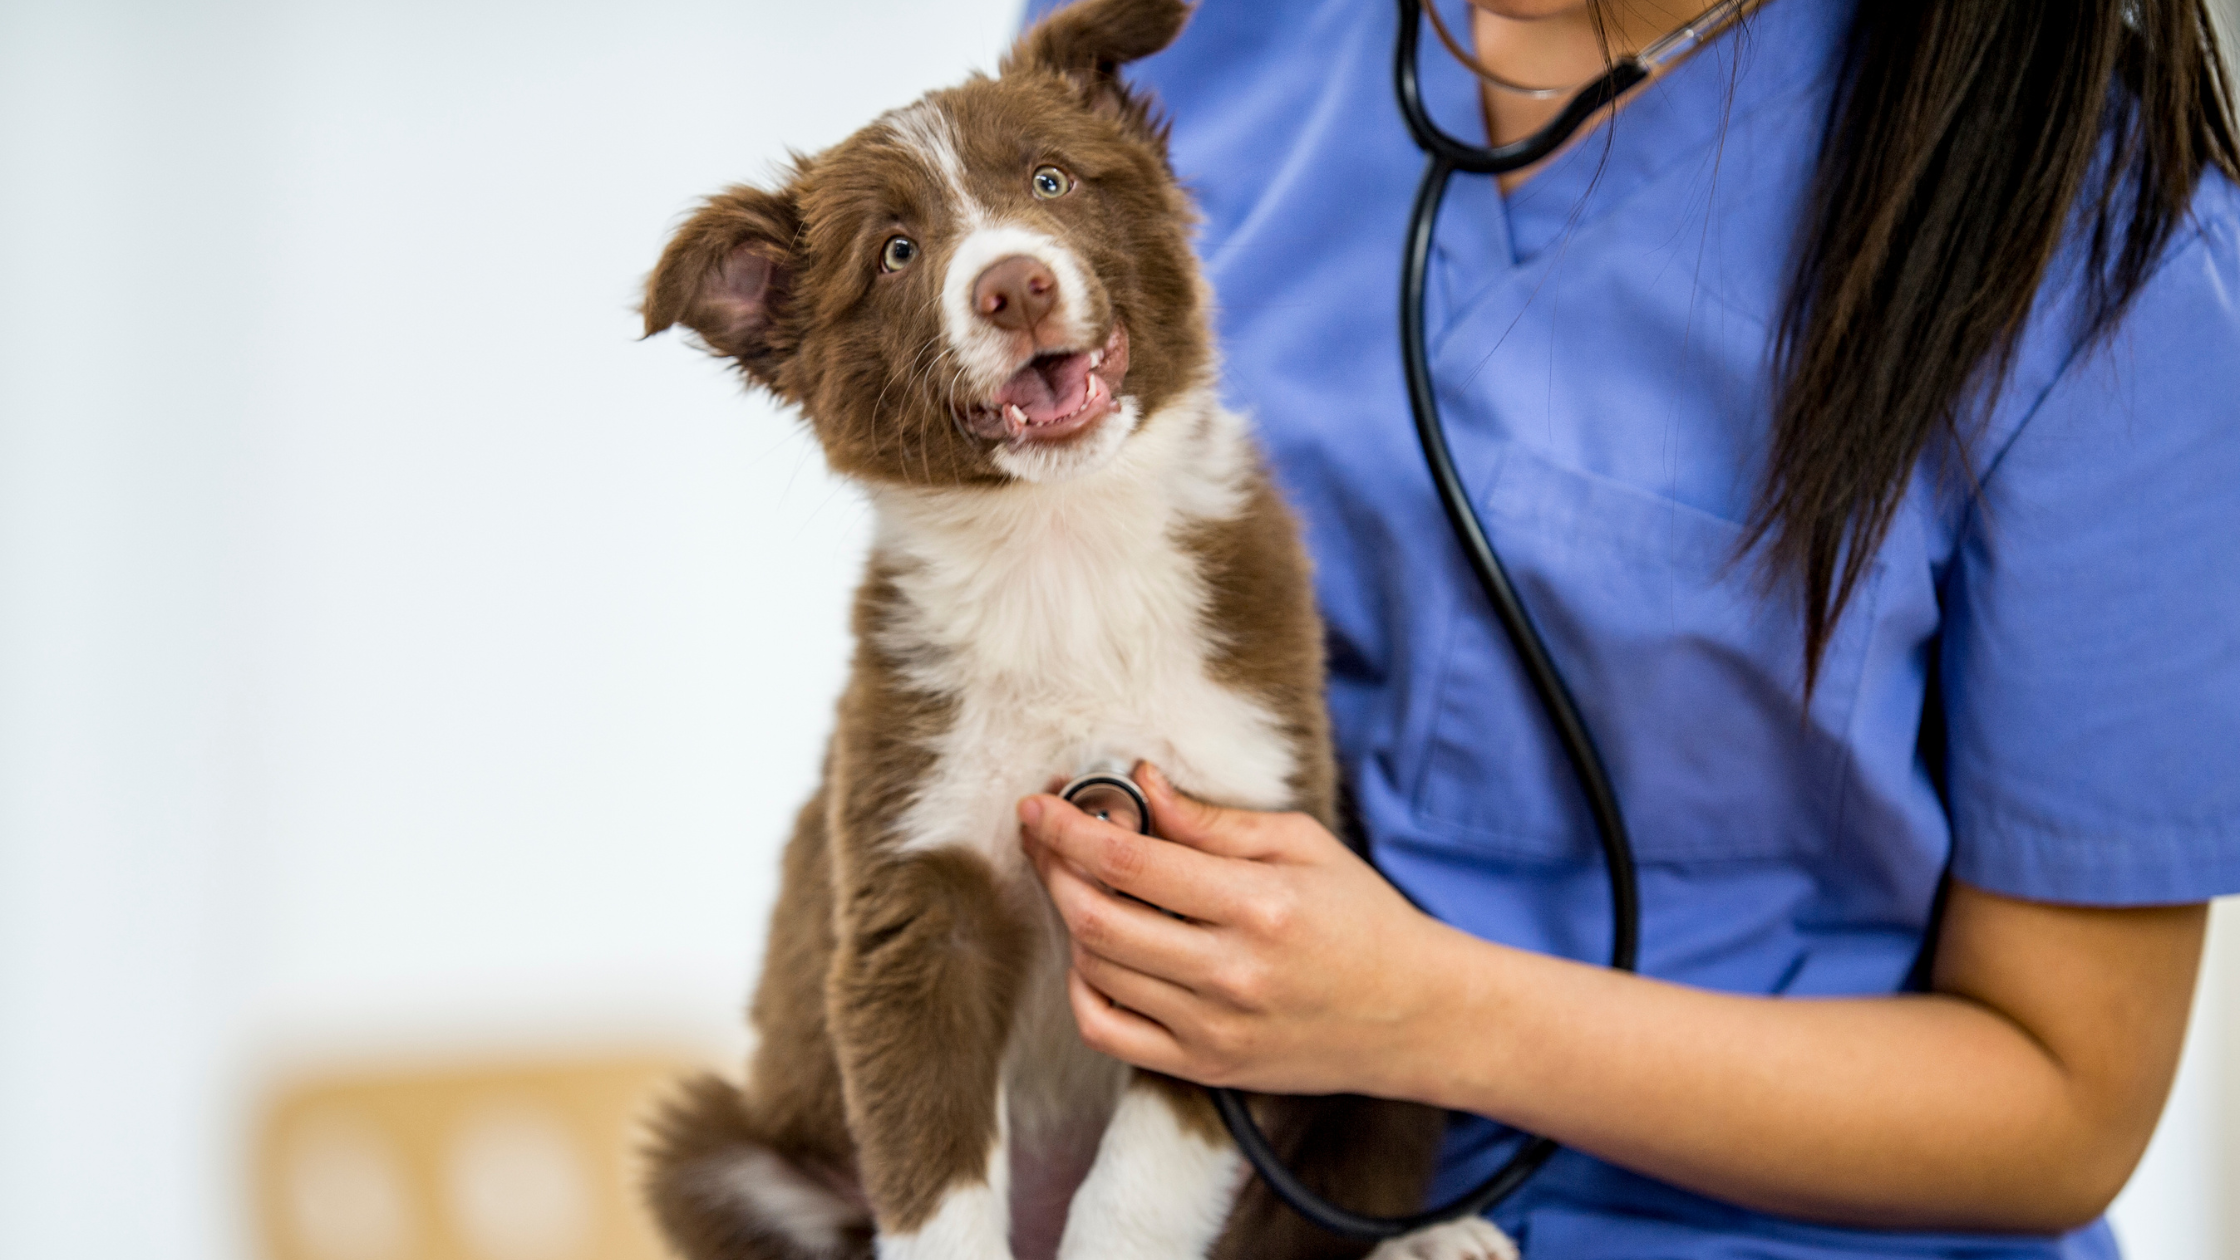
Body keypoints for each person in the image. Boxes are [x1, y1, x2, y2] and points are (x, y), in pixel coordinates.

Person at [1010, 0, 2240, 1255]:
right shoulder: (1172, 36)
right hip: (1190, 1167)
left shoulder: (2105, 257)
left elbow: (2062, 1102)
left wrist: (1421, 1014)